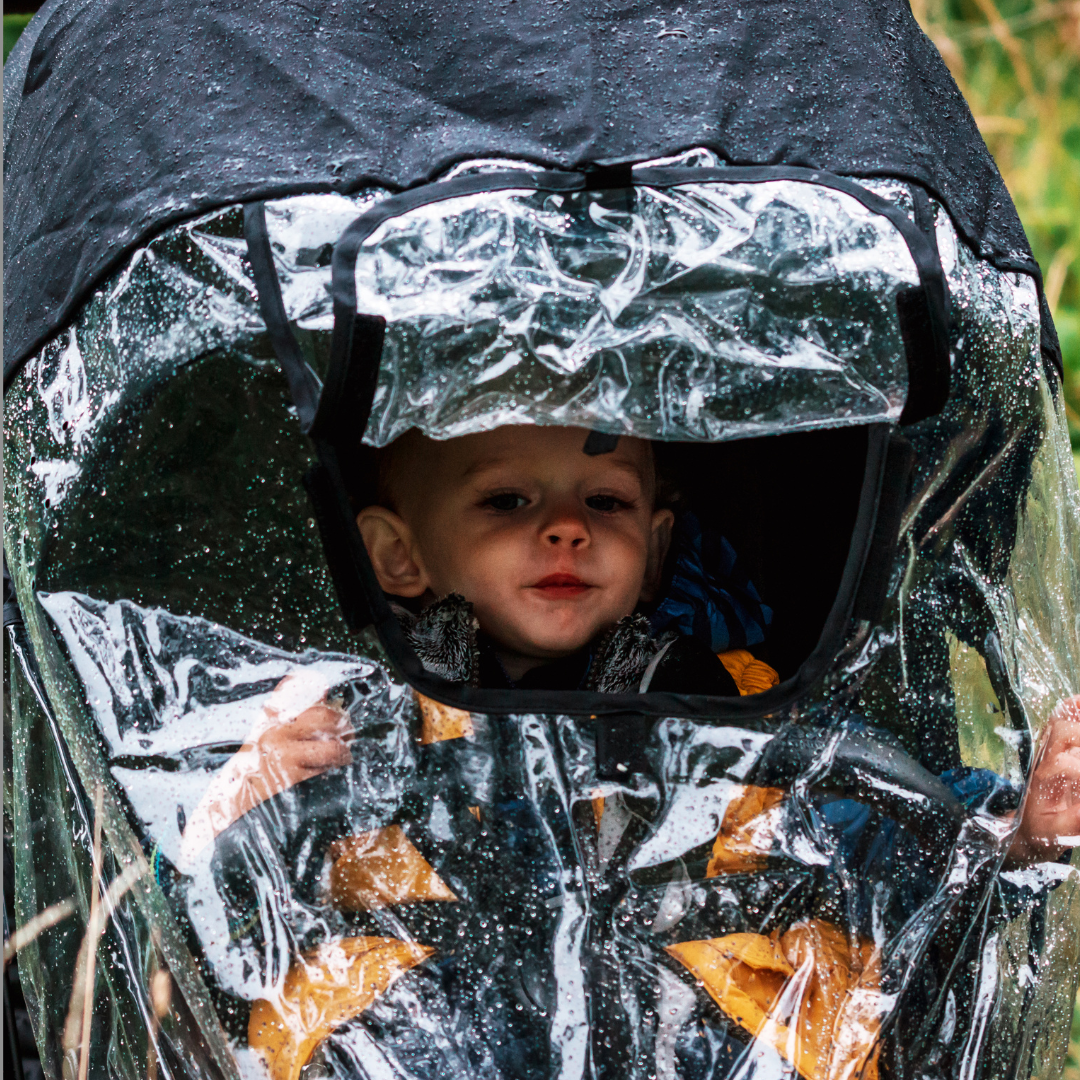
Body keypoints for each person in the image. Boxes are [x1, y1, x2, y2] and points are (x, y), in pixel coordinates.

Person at [180, 423, 1080, 866]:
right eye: (508, 501)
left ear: (652, 550)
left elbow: (862, 823)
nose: (567, 529)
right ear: (398, 555)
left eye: (604, 503)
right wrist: (232, 807)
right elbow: (215, 914)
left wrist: (1016, 836)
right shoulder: (348, 719)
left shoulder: (728, 703)